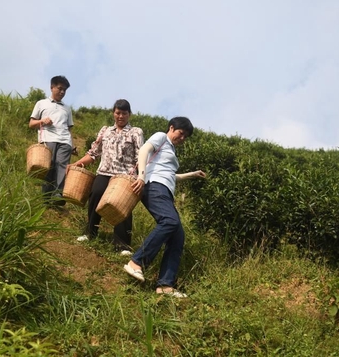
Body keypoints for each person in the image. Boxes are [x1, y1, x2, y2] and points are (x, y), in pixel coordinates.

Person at [123, 117, 206, 298]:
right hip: (153, 185)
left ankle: (165, 285)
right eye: (181, 133)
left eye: (186, 137)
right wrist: (141, 177)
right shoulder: (161, 136)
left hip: (164, 189)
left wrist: (193, 174)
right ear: (171, 128)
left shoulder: (171, 150)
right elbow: (144, 150)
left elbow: (171, 175)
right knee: (169, 221)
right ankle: (136, 263)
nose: (182, 138)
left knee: (177, 236)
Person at [71, 99, 144, 255]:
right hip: (104, 172)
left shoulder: (136, 132)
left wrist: (140, 176)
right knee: (96, 193)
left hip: (124, 176)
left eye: (124, 113)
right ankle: (90, 233)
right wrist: (77, 163)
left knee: (121, 204)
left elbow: (140, 156)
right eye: (118, 113)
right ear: (113, 113)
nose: (121, 116)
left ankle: (122, 245)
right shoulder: (105, 131)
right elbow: (93, 153)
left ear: (129, 115)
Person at [28, 76, 73, 206]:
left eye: (64, 90)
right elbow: (31, 123)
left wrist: (73, 145)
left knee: (62, 165)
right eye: (60, 88)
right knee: (50, 165)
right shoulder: (41, 103)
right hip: (48, 138)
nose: (62, 92)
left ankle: (58, 194)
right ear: (51, 87)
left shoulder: (67, 108)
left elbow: (69, 129)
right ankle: (46, 197)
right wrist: (42, 121)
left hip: (65, 140)